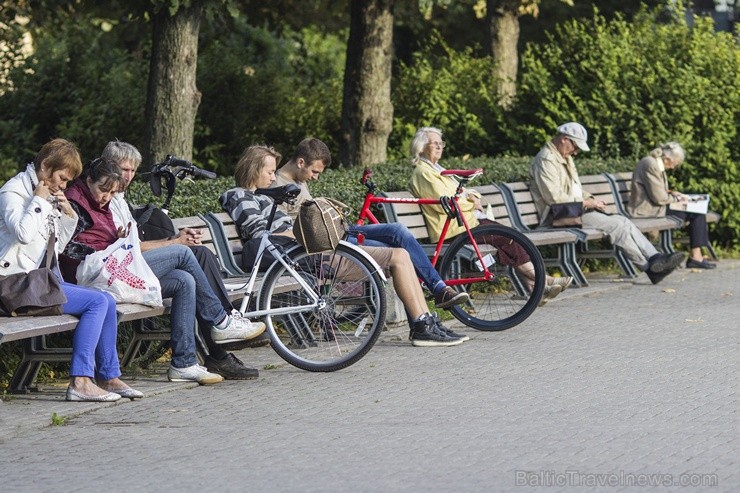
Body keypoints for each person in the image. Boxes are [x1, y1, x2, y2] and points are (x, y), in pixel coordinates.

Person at [221, 144, 467, 347]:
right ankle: (422, 325)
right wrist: (301, 233)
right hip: (306, 255)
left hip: (308, 251)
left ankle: (426, 321)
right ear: (253, 169)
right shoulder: (240, 195)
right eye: (269, 172)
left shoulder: (262, 196)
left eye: (275, 172)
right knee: (399, 256)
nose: (273, 177)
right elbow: (259, 232)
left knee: (399, 249)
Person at [101, 141, 267, 380]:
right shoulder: (105, 199)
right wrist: (175, 243)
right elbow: (128, 249)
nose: (128, 175)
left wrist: (176, 237)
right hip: (118, 273)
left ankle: (187, 361)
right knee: (186, 253)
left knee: (192, 268)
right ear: (108, 166)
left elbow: (132, 245)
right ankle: (222, 325)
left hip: (131, 266)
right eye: (123, 169)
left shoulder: (119, 200)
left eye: (133, 170)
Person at [0, 138, 140, 402]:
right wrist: (40, 202)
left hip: (36, 282)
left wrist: (67, 216)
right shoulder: (14, 192)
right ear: (44, 166)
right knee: (97, 302)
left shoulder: (43, 194)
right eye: (62, 178)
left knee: (107, 300)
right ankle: (81, 381)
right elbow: (22, 234)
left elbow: (58, 247)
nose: (63, 186)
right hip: (11, 285)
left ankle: (109, 377)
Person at [274, 137, 469, 309]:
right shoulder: (276, 188)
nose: (316, 177)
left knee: (398, 230)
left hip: (339, 231)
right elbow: (282, 231)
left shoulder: (300, 180)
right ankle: (425, 318)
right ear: (300, 162)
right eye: (315, 171)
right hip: (326, 242)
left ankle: (439, 289)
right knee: (399, 255)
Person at [409, 126, 571, 303]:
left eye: (441, 143)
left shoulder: (437, 168)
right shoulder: (423, 173)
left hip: (465, 223)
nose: (440, 147)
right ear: (422, 146)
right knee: (507, 237)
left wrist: (472, 196)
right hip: (453, 230)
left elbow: (465, 191)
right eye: (435, 143)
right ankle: (542, 281)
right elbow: (446, 202)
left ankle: (534, 289)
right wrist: (471, 201)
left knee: (510, 236)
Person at [529, 122, 685, 284]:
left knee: (623, 221)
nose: (576, 152)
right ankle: (650, 268)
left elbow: (574, 189)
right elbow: (554, 198)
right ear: (564, 139)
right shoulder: (546, 160)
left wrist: (592, 199)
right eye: (576, 147)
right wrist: (587, 203)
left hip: (574, 210)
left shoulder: (564, 156)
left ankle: (654, 258)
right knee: (616, 226)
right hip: (558, 215)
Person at [627, 142, 715, 270]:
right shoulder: (651, 164)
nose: (673, 167)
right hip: (647, 210)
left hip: (655, 206)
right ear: (667, 159)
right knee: (696, 211)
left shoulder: (653, 162)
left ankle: (696, 256)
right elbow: (659, 198)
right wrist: (677, 198)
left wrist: (672, 193)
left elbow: (655, 190)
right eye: (675, 163)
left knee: (697, 210)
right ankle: (696, 257)